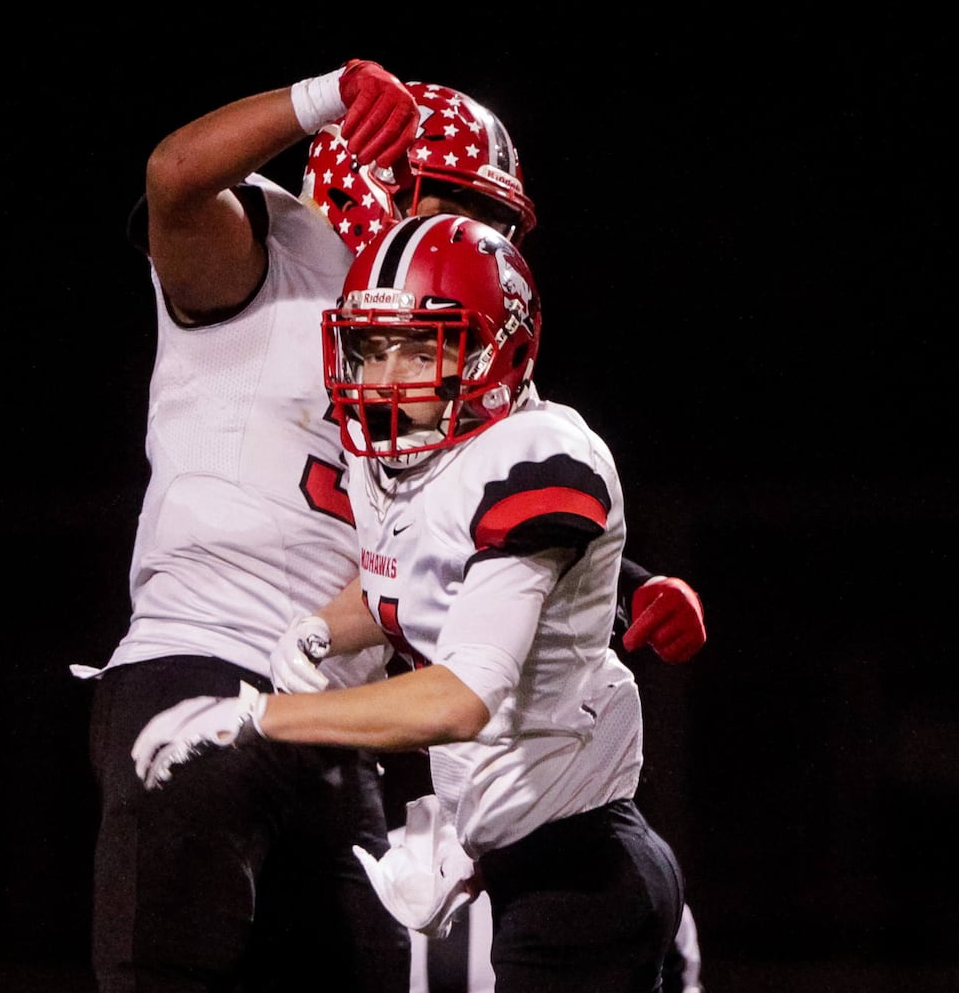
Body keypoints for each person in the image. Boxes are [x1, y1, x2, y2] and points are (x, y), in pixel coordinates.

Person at [72, 59, 705, 991]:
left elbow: (465, 531)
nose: (482, 240)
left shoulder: (455, 340)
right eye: (462, 207)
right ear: (374, 176)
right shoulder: (268, 254)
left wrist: (623, 582)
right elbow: (174, 175)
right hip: (203, 658)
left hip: (340, 704)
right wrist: (320, 95)